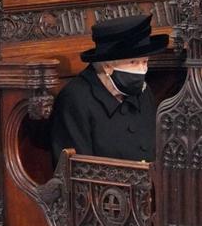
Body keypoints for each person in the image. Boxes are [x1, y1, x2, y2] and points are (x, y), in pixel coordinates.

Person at [50, 14, 168, 166]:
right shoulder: (75, 99)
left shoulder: (144, 92)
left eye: (145, 61)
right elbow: (76, 172)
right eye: (133, 62)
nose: (142, 70)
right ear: (107, 65)